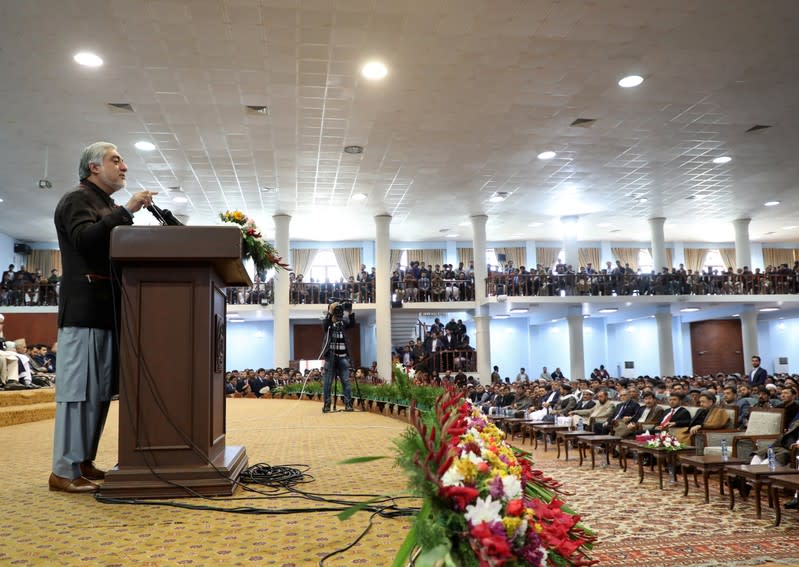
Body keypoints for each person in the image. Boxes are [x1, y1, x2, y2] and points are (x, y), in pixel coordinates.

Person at [49, 141, 156, 494]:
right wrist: (127, 210)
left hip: (107, 312)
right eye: (116, 160)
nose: (123, 166)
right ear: (94, 167)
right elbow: (86, 241)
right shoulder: (76, 200)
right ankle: (63, 471)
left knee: (97, 394)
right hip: (82, 313)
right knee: (78, 392)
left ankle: (83, 461)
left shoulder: (105, 205)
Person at [319, 301, 355, 413]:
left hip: (343, 358)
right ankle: (327, 405)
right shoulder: (329, 324)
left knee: (346, 382)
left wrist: (350, 311)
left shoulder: (343, 323)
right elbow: (325, 324)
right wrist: (330, 310)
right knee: (328, 383)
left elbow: (352, 324)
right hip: (331, 358)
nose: (338, 314)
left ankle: (348, 404)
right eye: (336, 311)